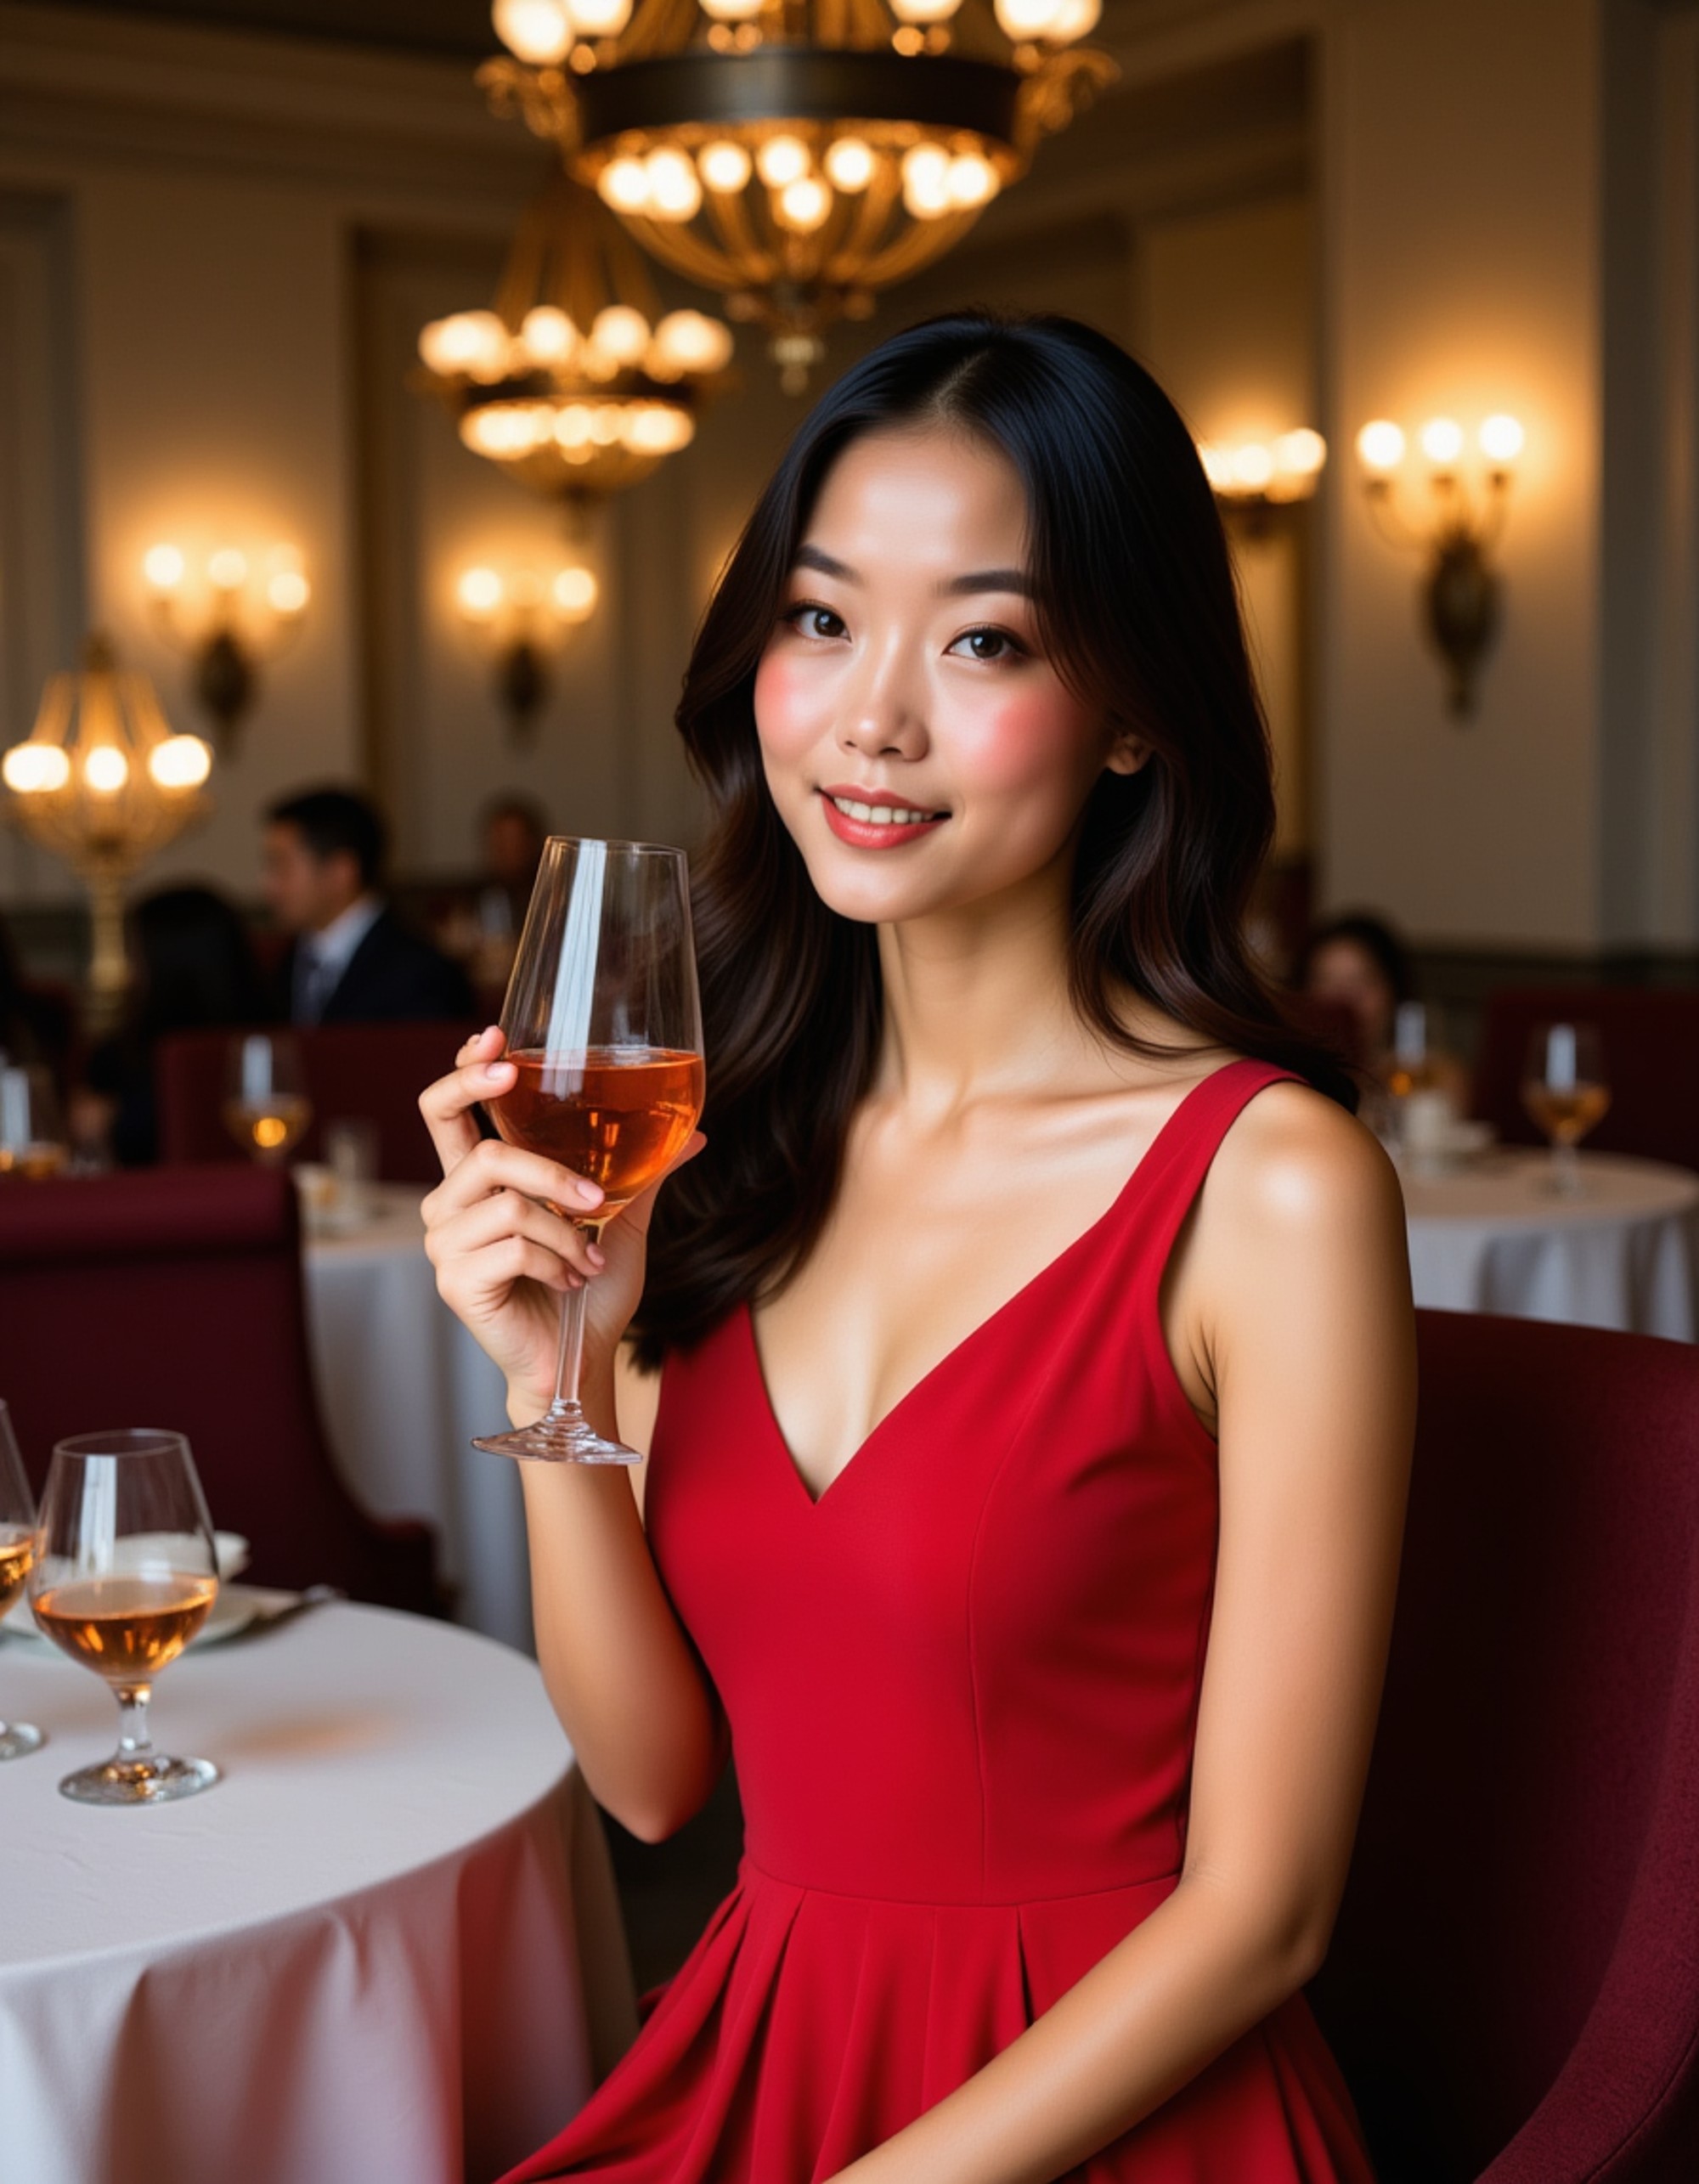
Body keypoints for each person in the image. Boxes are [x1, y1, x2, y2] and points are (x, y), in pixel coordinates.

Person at [421, 314, 1415, 2182]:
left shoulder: (1268, 1186)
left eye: (983, 639)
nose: (873, 716)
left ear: (1134, 709)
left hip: (1111, 2112)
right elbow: (654, 1786)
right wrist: (551, 1370)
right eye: (820, 620)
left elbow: (1265, 1912)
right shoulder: (713, 1148)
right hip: (767, 2055)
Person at [75, 883, 270, 1165]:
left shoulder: (266, 1044)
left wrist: (112, 1121)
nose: (130, 972)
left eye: (136, 954)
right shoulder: (115, 1056)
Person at [262, 786, 473, 1025]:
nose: (269, 886)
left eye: (282, 866)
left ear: (341, 872)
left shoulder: (420, 973)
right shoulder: (290, 963)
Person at [1297, 912, 1467, 1107]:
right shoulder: (1292, 1083)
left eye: (1361, 983)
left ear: (1394, 992)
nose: (1344, 1001)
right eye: (1326, 983)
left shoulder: (1430, 1074)